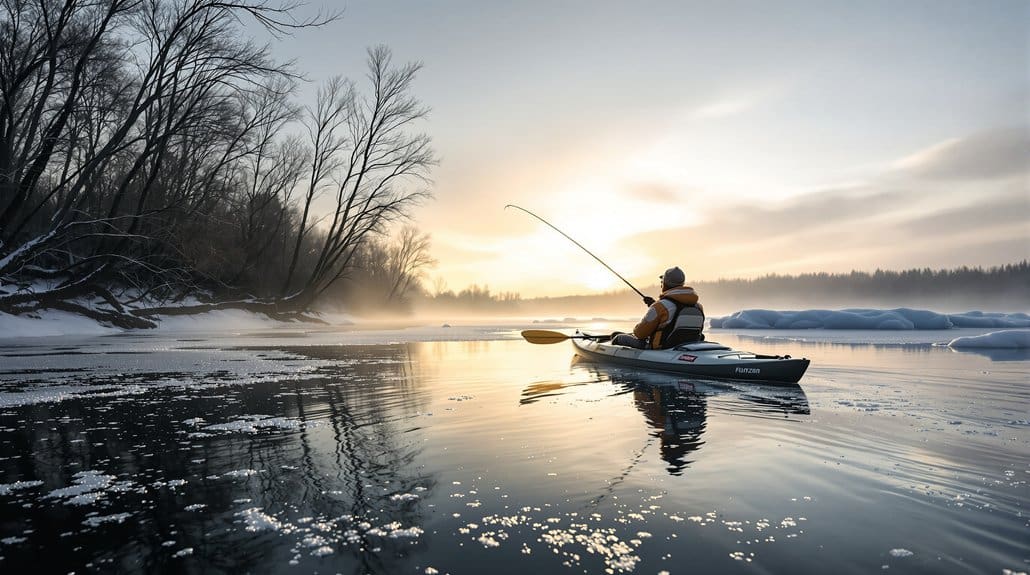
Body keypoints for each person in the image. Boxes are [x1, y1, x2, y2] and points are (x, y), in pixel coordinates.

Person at [611, 266, 705, 349]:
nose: (661, 285)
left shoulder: (659, 306)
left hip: (660, 349)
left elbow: (640, 334)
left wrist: (654, 307)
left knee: (617, 337)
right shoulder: (698, 307)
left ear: (665, 284)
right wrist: (654, 304)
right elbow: (673, 311)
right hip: (686, 347)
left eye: (662, 282)